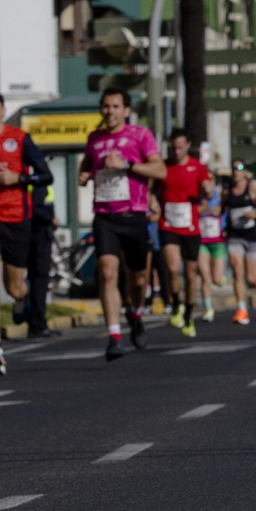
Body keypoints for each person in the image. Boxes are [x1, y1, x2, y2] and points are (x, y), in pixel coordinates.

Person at [77, 89, 166, 360]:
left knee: (138, 279)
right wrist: (83, 175)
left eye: (115, 106)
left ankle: (135, 313)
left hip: (134, 215)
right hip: (105, 216)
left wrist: (127, 165)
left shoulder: (140, 135)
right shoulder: (94, 138)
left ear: (126, 110)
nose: (110, 111)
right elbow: (87, 165)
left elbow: (160, 170)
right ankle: (114, 336)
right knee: (107, 272)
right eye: (105, 106)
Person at [0, 90, 52, 373]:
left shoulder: (19, 139)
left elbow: (46, 175)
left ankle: (23, 297)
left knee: (13, 286)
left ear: (3, 110)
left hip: (17, 219)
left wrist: (17, 178)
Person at [157, 130, 213, 336]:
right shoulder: (164, 166)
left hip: (190, 226)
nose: (177, 150)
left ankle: (189, 312)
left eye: (181, 146)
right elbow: (153, 190)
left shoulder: (197, 167)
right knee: (172, 268)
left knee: (190, 273)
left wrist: (207, 191)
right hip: (168, 224)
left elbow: (208, 193)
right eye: (174, 147)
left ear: (188, 145)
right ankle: (175, 304)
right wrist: (153, 204)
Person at [222, 162, 256, 324]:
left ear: (246, 172)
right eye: (234, 169)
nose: (236, 172)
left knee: (251, 277)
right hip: (234, 235)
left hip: (251, 236)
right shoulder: (227, 191)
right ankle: (242, 309)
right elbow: (222, 209)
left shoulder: (252, 189)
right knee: (237, 269)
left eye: (240, 168)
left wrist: (255, 213)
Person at [24, 159, 60, 340]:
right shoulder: (38, 181)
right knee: (39, 278)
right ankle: (37, 323)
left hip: (34, 231)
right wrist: (50, 219)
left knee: (34, 278)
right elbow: (36, 207)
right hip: (37, 232)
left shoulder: (35, 180)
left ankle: (34, 319)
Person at [197, 181, 226, 322]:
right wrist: (202, 210)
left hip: (218, 241)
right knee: (205, 277)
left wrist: (221, 211)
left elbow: (227, 214)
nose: (206, 187)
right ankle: (208, 309)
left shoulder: (220, 198)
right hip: (202, 242)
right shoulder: (197, 199)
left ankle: (221, 277)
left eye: (209, 184)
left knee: (216, 279)